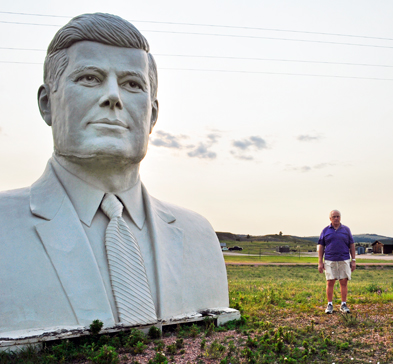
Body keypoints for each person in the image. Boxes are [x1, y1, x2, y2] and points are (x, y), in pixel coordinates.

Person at [0, 13, 230, 337]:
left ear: (152, 114)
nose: (113, 96)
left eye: (132, 84)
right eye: (90, 78)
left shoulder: (199, 237)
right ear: (46, 103)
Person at [318, 210, 356, 313]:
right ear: (330, 218)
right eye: (334, 216)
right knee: (330, 282)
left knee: (343, 282)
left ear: (340, 217)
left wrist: (353, 260)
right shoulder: (325, 231)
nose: (336, 218)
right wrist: (320, 262)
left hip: (344, 259)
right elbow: (321, 246)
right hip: (330, 260)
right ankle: (330, 305)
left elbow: (352, 245)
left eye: (338, 216)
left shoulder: (346, 230)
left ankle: (343, 304)